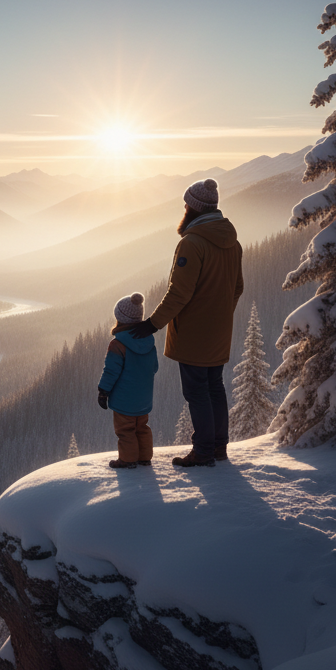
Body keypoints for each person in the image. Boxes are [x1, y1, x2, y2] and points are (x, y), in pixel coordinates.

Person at [128, 178, 244, 467]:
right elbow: (237, 287)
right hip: (220, 330)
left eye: (186, 204)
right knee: (214, 386)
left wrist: (153, 324)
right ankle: (218, 447)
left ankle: (203, 451)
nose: (184, 208)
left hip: (194, 333)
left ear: (194, 208)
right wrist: (221, 314)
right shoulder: (233, 242)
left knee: (196, 391)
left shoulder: (192, 244)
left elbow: (180, 292)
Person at [97, 292, 159, 469]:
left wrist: (103, 391)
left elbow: (111, 371)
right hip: (144, 398)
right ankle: (144, 457)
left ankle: (128, 460)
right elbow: (154, 368)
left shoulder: (117, 344)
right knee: (142, 428)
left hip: (124, 400)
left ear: (120, 318)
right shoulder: (149, 342)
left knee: (125, 430)